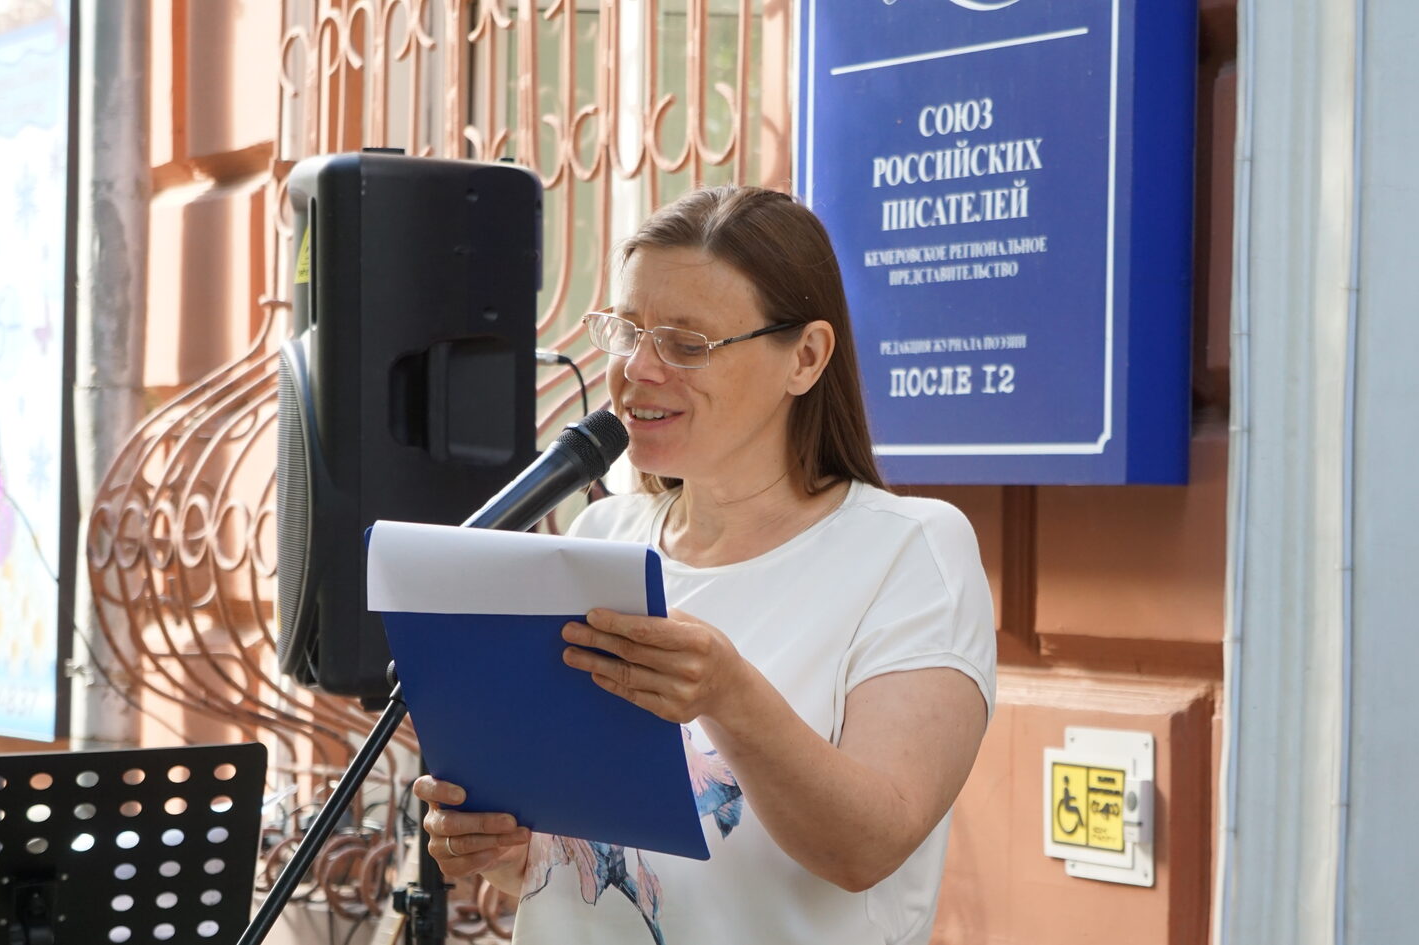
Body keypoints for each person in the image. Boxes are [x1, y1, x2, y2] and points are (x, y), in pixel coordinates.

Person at [413, 185, 996, 945]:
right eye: (626, 331)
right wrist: (507, 850)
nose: (638, 368)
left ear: (805, 357)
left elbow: (868, 849)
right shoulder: (600, 535)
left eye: (686, 344)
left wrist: (730, 693)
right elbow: (596, 865)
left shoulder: (911, 551)